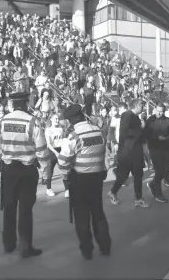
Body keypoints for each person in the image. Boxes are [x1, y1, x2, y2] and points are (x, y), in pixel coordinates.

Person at [0, 92, 48, 259]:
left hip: (9, 169)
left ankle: (9, 244)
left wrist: (5, 153)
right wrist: (45, 171)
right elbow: (41, 150)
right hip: (27, 169)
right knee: (25, 209)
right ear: (26, 104)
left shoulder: (3, 121)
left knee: (9, 206)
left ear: (13, 104)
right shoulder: (33, 121)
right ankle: (25, 247)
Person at [55, 104, 111, 260]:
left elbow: (63, 161)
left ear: (71, 119)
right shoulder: (98, 131)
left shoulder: (73, 136)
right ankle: (105, 246)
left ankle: (87, 250)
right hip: (97, 177)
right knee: (98, 212)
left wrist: (66, 176)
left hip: (80, 179)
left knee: (81, 216)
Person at [108, 99, 149, 208]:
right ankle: (116, 193)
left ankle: (137, 198)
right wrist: (141, 128)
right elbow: (125, 132)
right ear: (137, 105)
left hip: (133, 150)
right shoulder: (127, 115)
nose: (143, 108)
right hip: (128, 151)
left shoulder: (134, 116)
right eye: (142, 106)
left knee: (135, 175)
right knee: (127, 175)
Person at [146, 103, 169, 203]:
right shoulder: (150, 120)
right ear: (155, 109)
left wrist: (166, 138)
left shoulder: (168, 121)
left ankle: (152, 183)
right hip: (154, 148)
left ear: (164, 111)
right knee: (159, 171)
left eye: (161, 111)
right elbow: (146, 135)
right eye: (158, 110)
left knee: (165, 171)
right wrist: (156, 138)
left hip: (166, 148)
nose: (159, 113)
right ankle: (158, 193)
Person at [44, 113, 67, 197]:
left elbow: (63, 139)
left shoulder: (61, 128)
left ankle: (67, 189)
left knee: (64, 169)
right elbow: (49, 144)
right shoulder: (48, 130)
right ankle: (48, 189)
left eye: (58, 119)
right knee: (50, 171)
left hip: (61, 149)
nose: (57, 120)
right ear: (51, 119)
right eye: (55, 119)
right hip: (52, 150)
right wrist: (56, 153)